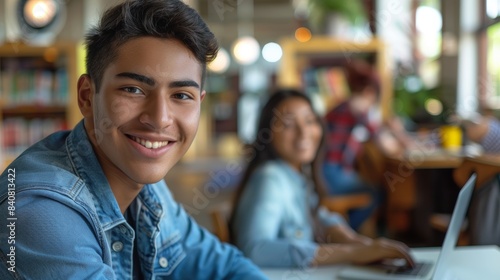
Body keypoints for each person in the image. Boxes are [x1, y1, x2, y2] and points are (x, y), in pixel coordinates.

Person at [0, 1, 266, 279]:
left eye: (181, 95)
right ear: (87, 96)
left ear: (200, 103)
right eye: (133, 89)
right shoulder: (38, 210)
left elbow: (224, 266)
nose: (160, 118)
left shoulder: (150, 189)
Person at [230, 89, 415, 268]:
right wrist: (352, 253)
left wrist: (356, 242)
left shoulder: (296, 174)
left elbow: (318, 216)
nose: (304, 132)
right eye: (287, 124)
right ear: (267, 133)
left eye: (310, 121)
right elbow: (255, 250)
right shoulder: (269, 178)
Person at [322, 60, 406, 232]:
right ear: (369, 91)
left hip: (324, 171)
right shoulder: (358, 107)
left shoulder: (341, 106)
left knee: (371, 188)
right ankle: (345, 234)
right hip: (332, 173)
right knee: (376, 193)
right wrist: (399, 132)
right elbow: (386, 146)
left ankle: (342, 233)